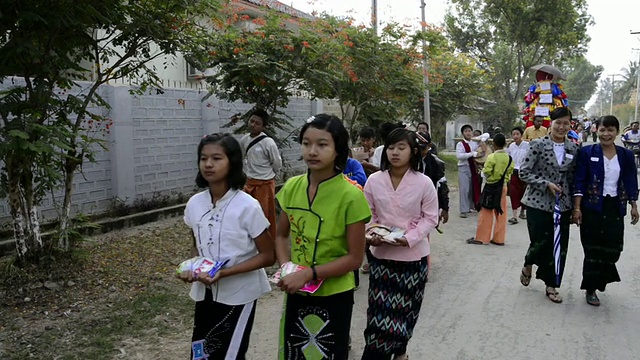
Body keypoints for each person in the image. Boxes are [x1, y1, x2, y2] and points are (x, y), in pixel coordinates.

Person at [275, 114, 371, 360]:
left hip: (335, 294)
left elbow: (354, 259)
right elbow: (280, 235)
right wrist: (287, 268)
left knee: (327, 353)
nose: (312, 151)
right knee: (295, 352)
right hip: (298, 292)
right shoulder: (292, 187)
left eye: (322, 144)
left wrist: (308, 274)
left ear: (338, 150)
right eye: (306, 143)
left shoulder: (351, 196)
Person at [179, 133, 275, 360]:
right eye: (203, 158)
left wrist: (225, 272)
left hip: (239, 295)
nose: (208, 164)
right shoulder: (195, 203)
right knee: (201, 353)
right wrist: (193, 267)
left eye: (216, 158)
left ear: (232, 162)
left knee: (228, 354)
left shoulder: (247, 206)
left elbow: (268, 256)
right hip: (205, 294)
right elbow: (197, 244)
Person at [361, 128, 439, 360]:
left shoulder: (424, 183)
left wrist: (409, 238)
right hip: (382, 257)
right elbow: (368, 215)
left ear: (413, 151)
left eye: (401, 148)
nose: (395, 152)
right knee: (379, 315)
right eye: (391, 147)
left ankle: (401, 351)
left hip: (413, 260)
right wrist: (371, 233)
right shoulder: (374, 181)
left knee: (406, 312)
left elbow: (430, 218)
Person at [573, 115, 639, 306]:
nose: (606, 134)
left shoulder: (625, 155)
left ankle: (601, 278)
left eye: (610, 130)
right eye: (602, 130)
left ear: (617, 132)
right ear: (596, 130)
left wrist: (634, 205)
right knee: (592, 248)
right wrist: (577, 208)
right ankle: (591, 288)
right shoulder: (587, 152)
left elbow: (630, 179)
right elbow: (580, 180)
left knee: (613, 248)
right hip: (592, 207)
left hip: (614, 207)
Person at [518, 107, 579, 304]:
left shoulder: (573, 148)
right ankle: (529, 262)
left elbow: (572, 178)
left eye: (565, 123)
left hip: (563, 205)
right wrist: (546, 185)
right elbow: (524, 172)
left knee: (559, 246)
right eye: (558, 123)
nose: (562, 127)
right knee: (540, 242)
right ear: (550, 124)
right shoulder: (537, 144)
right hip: (537, 203)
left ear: (570, 125)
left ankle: (551, 284)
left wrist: (576, 206)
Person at [240, 108, 282, 241]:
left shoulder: (268, 142)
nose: (253, 124)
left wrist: (271, 177)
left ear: (263, 126)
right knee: (247, 214)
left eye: (257, 123)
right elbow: (242, 158)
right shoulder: (244, 140)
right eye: (251, 121)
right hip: (249, 183)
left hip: (264, 184)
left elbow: (276, 163)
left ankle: (267, 244)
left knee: (264, 215)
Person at [466, 133, 514, 246]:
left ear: (494, 144)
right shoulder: (509, 158)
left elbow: (486, 172)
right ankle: (499, 239)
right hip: (503, 187)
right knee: (501, 212)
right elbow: (510, 172)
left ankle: (482, 238)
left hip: (491, 187)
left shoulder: (492, 157)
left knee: (486, 212)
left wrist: (484, 174)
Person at [416, 131, 450, 282]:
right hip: (411, 204)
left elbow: (443, 186)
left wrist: (445, 208)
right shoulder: (409, 160)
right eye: (416, 147)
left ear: (429, 146)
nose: (419, 151)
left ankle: (424, 269)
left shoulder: (437, 163)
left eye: (422, 148)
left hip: (429, 204)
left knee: (423, 235)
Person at [456, 124, 481, 218]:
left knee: (472, 188)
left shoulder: (474, 142)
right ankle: (463, 210)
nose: (468, 133)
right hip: (463, 168)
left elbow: (486, 136)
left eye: (469, 131)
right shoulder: (460, 144)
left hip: (473, 168)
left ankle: (470, 206)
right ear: (463, 133)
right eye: (466, 131)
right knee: (464, 189)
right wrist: (471, 154)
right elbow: (459, 156)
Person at [507, 127, 530, 223]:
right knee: (513, 193)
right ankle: (514, 215)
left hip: (524, 172)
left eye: (517, 134)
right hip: (514, 172)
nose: (515, 136)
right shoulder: (511, 146)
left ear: (521, 135)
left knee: (524, 192)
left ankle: (523, 211)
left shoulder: (527, 145)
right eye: (513, 134)